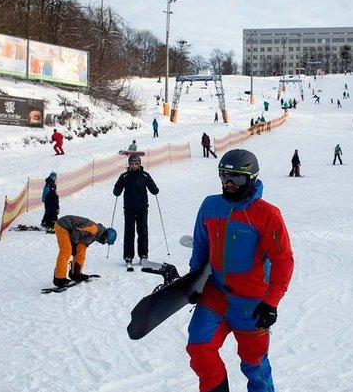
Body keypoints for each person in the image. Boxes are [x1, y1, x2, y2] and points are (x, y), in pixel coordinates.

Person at [186, 149, 294, 392]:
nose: (229, 184)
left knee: (254, 364)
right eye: (224, 176)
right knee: (199, 347)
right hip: (215, 294)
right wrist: (195, 282)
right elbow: (201, 247)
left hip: (251, 303)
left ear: (252, 178)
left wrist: (271, 301)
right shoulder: (210, 205)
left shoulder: (267, 214)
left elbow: (283, 260)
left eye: (237, 178)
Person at [113, 154, 160, 269]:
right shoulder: (124, 176)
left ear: (139, 164)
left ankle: (143, 254)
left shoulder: (144, 176)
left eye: (136, 164)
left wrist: (155, 190)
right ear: (129, 165)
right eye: (132, 164)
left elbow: (153, 187)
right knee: (129, 232)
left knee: (142, 231)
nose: (134, 166)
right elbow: (116, 188)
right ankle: (128, 256)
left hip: (142, 208)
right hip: (129, 208)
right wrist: (117, 190)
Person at [52, 215, 117, 288]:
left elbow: (82, 240)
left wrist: (76, 248)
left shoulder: (96, 234)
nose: (103, 243)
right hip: (63, 226)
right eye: (105, 241)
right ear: (105, 236)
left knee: (81, 251)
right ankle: (59, 278)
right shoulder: (93, 229)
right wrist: (73, 246)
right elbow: (76, 231)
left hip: (72, 231)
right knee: (66, 251)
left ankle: (76, 273)